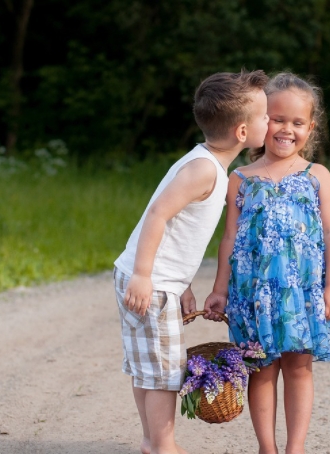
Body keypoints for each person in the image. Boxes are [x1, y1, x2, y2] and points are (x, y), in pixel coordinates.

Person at [113, 69, 269, 454]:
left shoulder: (207, 164)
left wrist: (180, 283)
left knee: (147, 369)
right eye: (265, 116)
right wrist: (145, 276)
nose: (271, 120)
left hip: (154, 279)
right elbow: (157, 216)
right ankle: (163, 446)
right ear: (243, 133)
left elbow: (176, 231)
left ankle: (152, 441)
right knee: (166, 375)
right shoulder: (203, 170)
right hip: (150, 283)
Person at [204, 72, 330, 454]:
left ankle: (295, 448)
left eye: (297, 122)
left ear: (311, 127)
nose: (286, 129)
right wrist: (220, 289)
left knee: (300, 367)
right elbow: (229, 239)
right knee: (261, 367)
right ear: (258, 121)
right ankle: (267, 448)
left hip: (302, 292)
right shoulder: (239, 178)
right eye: (277, 119)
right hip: (254, 294)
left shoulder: (317, 176)